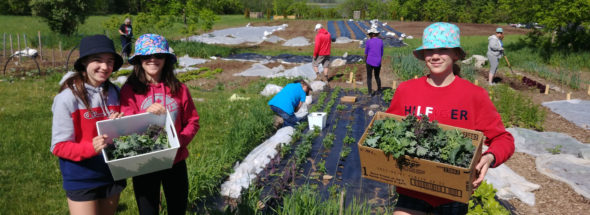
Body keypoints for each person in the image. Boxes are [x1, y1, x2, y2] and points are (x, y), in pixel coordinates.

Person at [385, 22, 515, 215]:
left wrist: (489, 157)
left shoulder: (473, 95)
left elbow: (503, 139)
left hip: (452, 192)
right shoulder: (406, 90)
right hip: (412, 188)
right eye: (430, 50)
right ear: (423, 55)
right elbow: (388, 128)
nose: (435, 56)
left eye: (443, 49)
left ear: (456, 55)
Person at [120, 34, 200, 215]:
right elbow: (125, 124)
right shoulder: (130, 90)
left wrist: (180, 140)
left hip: (175, 159)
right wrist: (145, 114)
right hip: (144, 160)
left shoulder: (179, 89)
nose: (153, 59)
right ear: (139, 60)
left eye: (158, 55)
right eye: (147, 56)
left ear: (166, 59)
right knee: (147, 210)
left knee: (177, 208)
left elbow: (193, 121)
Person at [50, 35, 126, 215]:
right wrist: (90, 148)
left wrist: (120, 125)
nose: (105, 67)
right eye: (97, 60)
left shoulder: (115, 92)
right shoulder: (67, 98)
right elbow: (58, 146)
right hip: (81, 176)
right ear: (84, 62)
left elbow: (124, 132)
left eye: (110, 61)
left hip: (112, 172)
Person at [364, 28, 384, 96]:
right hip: (378, 61)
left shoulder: (368, 42)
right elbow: (381, 53)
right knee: (377, 76)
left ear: (373, 34)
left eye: (369, 34)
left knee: (369, 77)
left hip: (369, 61)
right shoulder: (381, 41)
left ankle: (370, 93)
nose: (369, 36)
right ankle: (379, 90)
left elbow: (366, 53)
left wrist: (365, 60)